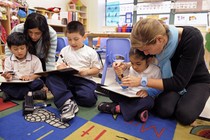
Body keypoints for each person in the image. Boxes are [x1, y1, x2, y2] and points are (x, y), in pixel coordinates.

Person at [119, 18, 210, 125]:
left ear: (160, 40)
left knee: (185, 115)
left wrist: (141, 81)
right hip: (170, 80)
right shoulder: (154, 38)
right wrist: (126, 65)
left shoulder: (192, 38)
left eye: (146, 50)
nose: (146, 53)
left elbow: (179, 82)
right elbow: (147, 61)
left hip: (196, 81)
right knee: (163, 110)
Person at [46, 21, 101, 122]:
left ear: (84, 37)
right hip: (67, 78)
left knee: (90, 100)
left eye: (76, 39)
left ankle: (66, 97)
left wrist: (87, 72)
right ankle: (68, 102)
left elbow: (97, 70)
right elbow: (58, 64)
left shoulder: (90, 52)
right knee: (50, 78)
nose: (72, 42)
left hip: (84, 80)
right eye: (69, 39)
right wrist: (60, 67)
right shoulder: (64, 50)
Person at [98, 48, 162, 122]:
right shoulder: (132, 69)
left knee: (149, 103)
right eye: (132, 63)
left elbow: (159, 89)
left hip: (143, 98)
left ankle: (118, 108)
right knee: (112, 94)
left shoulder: (155, 70)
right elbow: (125, 86)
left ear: (148, 60)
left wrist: (148, 92)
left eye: (138, 64)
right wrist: (120, 76)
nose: (134, 67)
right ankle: (137, 113)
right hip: (130, 95)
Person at [1, 32, 46, 101]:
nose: (19, 51)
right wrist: (7, 76)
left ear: (27, 47)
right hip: (16, 83)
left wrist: (30, 77)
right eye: (15, 49)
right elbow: (9, 76)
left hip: (29, 83)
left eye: (22, 48)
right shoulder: (8, 60)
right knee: (4, 86)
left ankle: (11, 95)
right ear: (10, 49)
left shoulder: (35, 59)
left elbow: (39, 74)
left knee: (39, 83)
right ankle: (32, 94)